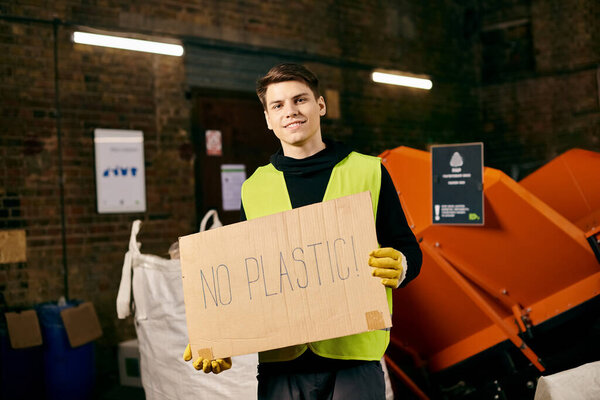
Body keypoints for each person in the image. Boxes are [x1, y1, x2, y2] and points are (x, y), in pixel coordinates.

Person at [184, 63, 422, 399]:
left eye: (300, 100)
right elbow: (246, 277)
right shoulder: (254, 188)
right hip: (281, 361)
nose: (290, 112)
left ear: (320, 105)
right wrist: (215, 334)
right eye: (278, 105)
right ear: (267, 118)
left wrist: (402, 266)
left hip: (354, 355)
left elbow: (408, 248)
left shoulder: (369, 171)